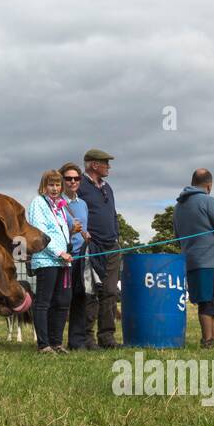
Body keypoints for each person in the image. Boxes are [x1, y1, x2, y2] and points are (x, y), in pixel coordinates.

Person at [172, 169, 214, 348]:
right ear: (209, 185)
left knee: (206, 300)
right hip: (211, 259)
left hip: (191, 259)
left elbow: (176, 234)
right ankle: (207, 340)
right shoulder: (208, 200)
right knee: (210, 301)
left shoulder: (178, 206)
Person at [27, 170, 73, 353]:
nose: (55, 189)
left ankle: (57, 342)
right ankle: (43, 344)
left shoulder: (60, 206)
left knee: (62, 302)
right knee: (44, 302)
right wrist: (59, 252)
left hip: (63, 261)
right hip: (46, 260)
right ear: (44, 186)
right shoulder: (38, 203)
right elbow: (40, 232)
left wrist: (67, 251)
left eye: (57, 185)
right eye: (51, 185)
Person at [79, 148, 122, 348]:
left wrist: (116, 233)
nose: (109, 167)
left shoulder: (108, 187)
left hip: (111, 246)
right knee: (91, 292)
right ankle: (87, 338)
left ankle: (107, 337)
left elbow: (112, 212)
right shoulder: (79, 185)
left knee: (110, 291)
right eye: (106, 163)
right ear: (94, 165)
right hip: (92, 246)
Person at [59, 162, 93, 349]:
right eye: (68, 178)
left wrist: (86, 235)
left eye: (76, 178)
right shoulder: (57, 204)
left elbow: (84, 228)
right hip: (64, 257)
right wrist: (72, 231)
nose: (73, 182)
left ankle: (77, 342)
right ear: (62, 180)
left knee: (81, 298)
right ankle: (54, 341)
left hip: (82, 257)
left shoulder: (83, 204)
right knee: (62, 300)